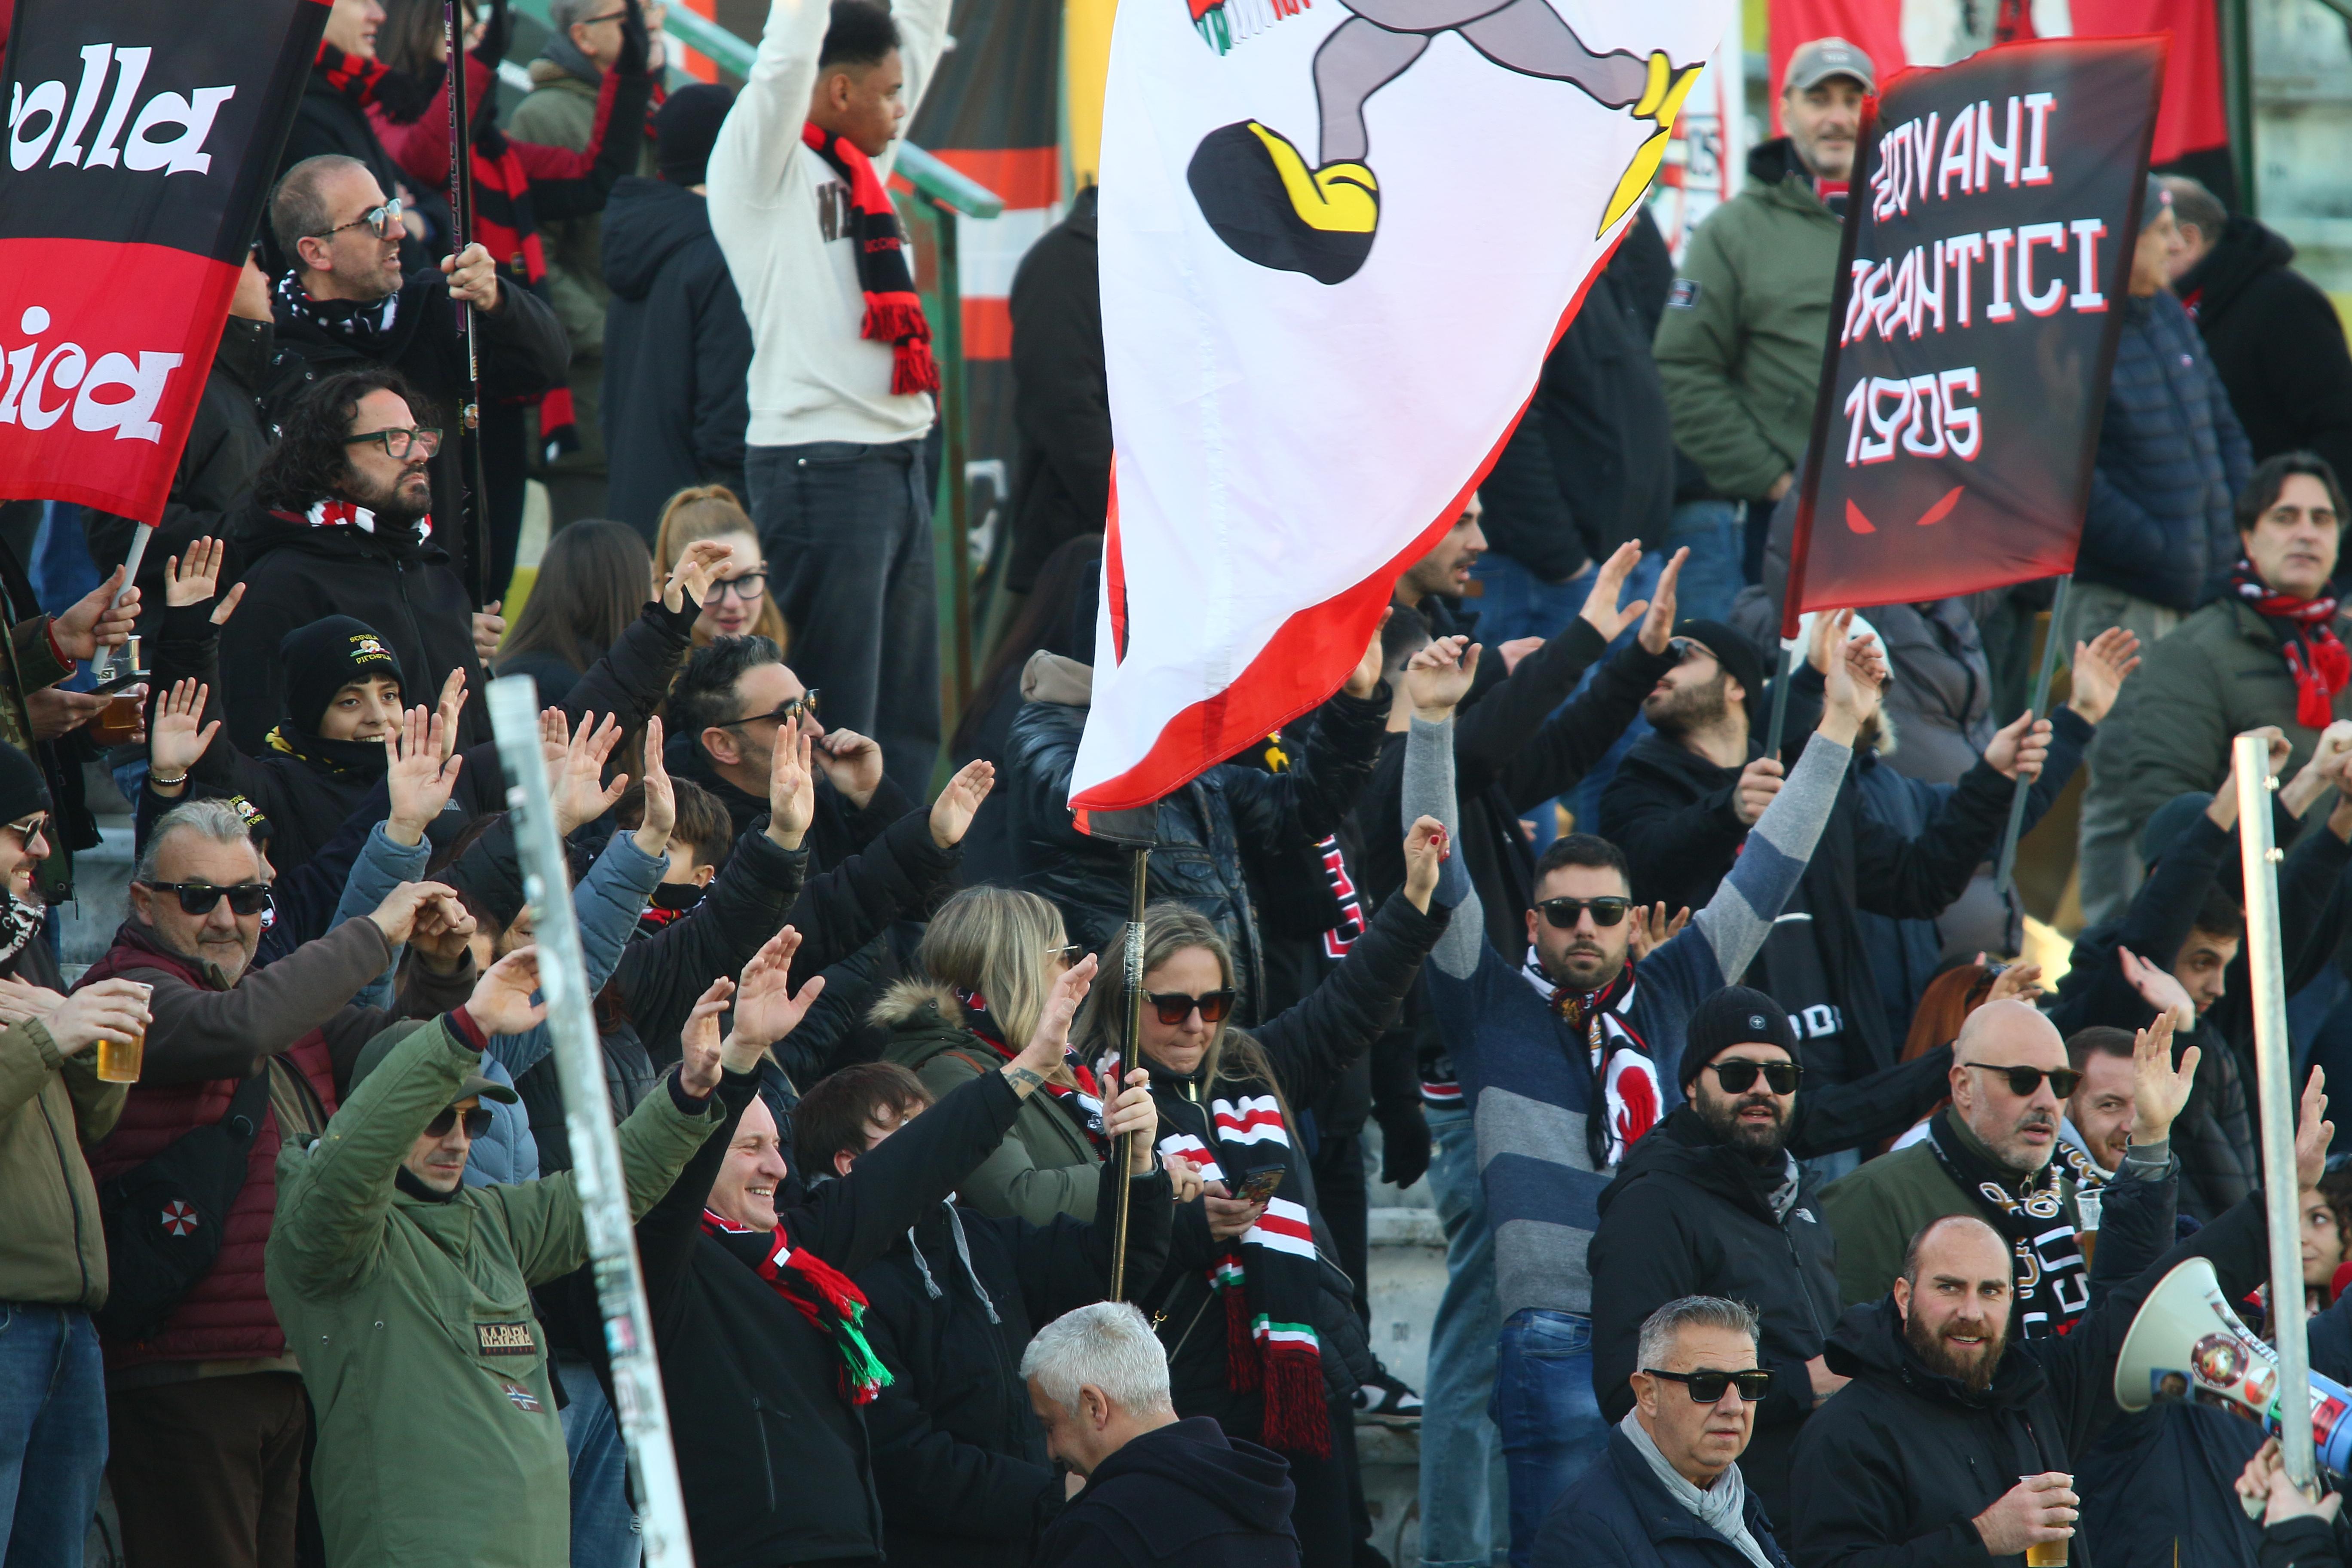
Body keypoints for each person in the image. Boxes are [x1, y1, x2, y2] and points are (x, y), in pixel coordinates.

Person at [1401, 618, 1955, 1559]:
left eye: (1606, 910)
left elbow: (1771, 866)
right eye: (1563, 912)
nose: (1585, 926)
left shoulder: (1670, 990)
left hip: (1672, 1341)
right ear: (1530, 923)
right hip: (1551, 1329)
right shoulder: (1487, 1005)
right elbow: (1436, 862)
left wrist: (1836, 726)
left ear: (1633, 921)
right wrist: (1428, 726)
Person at [582, 925, 1109, 1567]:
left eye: (777, 1146)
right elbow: (670, 1195)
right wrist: (738, 1060)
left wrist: (1026, 1069)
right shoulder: (660, 1270)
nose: (776, 1167)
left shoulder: (800, 1256)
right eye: (750, 1148)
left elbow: (910, 1167)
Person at [82, 796, 475, 1568]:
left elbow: (410, 1057)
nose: (226, 918)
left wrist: (440, 967)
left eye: (248, 898)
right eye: (199, 897)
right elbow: (240, 1029)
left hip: (293, 1358)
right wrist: (374, 935)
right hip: (181, 1371)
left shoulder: (276, 994)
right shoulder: (125, 991)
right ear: (142, 902)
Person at [264, 948, 725, 1568]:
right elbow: (352, 1164)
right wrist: (467, 1029)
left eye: (473, 1120)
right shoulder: (332, 1236)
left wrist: (689, 1092)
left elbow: (602, 1194)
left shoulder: (492, 1221)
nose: (457, 1141)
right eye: (436, 1119)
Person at [1081, 824, 1449, 1568]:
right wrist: (1193, 1225)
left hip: (1301, 1375)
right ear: (1125, 999)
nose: (1196, 1024)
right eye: (1171, 1005)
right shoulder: (1090, 1098)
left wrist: (1413, 900)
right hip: (1188, 1391)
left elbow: (1352, 1002)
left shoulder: (1251, 1065)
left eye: (1214, 1003)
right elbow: (1092, 1246)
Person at [1785, 1097, 2328, 1568]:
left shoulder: (2037, 1389)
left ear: (2012, 1300)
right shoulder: (1847, 1430)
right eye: (1949, 1288)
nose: (1971, 1311)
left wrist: (2283, 1197)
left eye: (1991, 1291)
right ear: (1904, 1296)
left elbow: (2153, 1297)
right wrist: (1984, 1538)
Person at [1600, 613, 2120, 1094]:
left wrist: (2003, 771)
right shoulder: (1641, 783)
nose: (1660, 667)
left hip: (1841, 1073)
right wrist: (1729, 810)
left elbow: (1923, 876)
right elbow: (1647, 868)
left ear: (1738, 683)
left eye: (1682, 653)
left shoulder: (1839, 788)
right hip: (1729, 1078)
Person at [710, 0, 956, 783]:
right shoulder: (762, 168)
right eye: (890, 92)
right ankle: (820, 864)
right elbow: (787, 55)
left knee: (905, 721)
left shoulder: (859, 168)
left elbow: (920, 25)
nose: (903, 107)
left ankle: (904, 860)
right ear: (841, 91)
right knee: (835, 722)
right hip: (821, 466)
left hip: (898, 458)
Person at [804, 1059, 1174, 1567]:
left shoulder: (980, 1237)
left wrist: (1135, 1165)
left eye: (928, 1119)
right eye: (905, 1126)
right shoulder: (839, 1286)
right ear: (850, 1166)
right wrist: (1052, 1497)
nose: (933, 1137)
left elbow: (1112, 1268)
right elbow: (904, 1460)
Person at [370, 0, 659, 597]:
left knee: (491, 577)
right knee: (439, 577)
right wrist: (487, 54)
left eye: (482, 32)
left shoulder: (495, 153)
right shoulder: (383, 121)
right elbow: (429, 155)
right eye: (464, 31)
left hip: (496, 387)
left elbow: (595, 176)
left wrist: (632, 71)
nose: (477, 41)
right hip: (422, 391)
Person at [1004, 624, 1390, 1024]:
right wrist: (1159, 719)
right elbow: (1087, 805)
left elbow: (1300, 810)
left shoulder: (1172, 739)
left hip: (1207, 1017)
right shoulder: (1050, 730)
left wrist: (1355, 703)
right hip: (1123, 1030)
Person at [2067, 178, 2256, 925]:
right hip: (2126, 598)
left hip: (2200, 591)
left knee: (2184, 775)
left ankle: (2177, 938)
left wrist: (2237, 532)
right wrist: (2162, 548)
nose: (2177, 244)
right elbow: (2072, 477)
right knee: (2122, 783)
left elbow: (2224, 430)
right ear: (2119, 241)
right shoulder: (2076, 331)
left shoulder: (2169, 317)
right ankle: (2111, 944)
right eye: (2160, 230)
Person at [1585, 991, 1842, 1525]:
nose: (1762, 1089)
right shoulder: (1654, 1203)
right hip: (1719, 1516)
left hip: (1820, 1496)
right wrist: (1803, 1384)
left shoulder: (1800, 1195)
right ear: (1691, 1085)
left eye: (1781, 1076)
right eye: (1738, 1073)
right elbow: (1628, 1390)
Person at [262, 153, 570, 596]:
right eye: (374, 221)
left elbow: (543, 367)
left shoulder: (437, 306)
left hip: (450, 595)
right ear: (316, 251)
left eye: (393, 210)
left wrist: (499, 300)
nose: (398, 231)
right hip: (339, 603)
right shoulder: (275, 353)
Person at [1816, 1001, 2200, 1334]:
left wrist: (2153, 1135)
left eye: (2061, 1083)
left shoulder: (2076, 1194)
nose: (2047, 1101)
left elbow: (2133, 1323)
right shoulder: (1875, 1196)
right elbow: (1850, 1356)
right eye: (2023, 1080)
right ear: (1964, 1086)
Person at [0, 741, 153, 1566]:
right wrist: (48, 1035)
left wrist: (93, 1040)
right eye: (22, 829)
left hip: (67, 1315)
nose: (41, 851)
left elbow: (84, 1125)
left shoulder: (19, 939)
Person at [1654, 39, 1872, 574]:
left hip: (1915, 512)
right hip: (1791, 522)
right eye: (1819, 100)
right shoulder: (1735, 231)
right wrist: (1774, 481)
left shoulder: (1921, 220)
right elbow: (1682, 367)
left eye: (1854, 101)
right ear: (1786, 110)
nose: (1839, 118)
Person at [227, 367, 498, 753]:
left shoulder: (438, 579)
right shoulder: (281, 586)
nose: (420, 454)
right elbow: (258, 748)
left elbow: (477, 737)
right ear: (333, 466)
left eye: (419, 437)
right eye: (393, 440)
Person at [2115, 454, 2352, 834]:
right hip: (2249, 870)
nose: (2307, 533)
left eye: (2322, 519)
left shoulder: (2344, 642)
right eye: (2285, 518)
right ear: (2249, 539)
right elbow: (2163, 810)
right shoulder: (2193, 652)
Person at [508, 0, 666, 527]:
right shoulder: (545, 117)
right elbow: (534, 256)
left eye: (654, 7)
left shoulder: (657, 107)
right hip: (590, 387)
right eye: (630, 15)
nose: (651, 21)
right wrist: (613, 333)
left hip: (648, 375)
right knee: (596, 553)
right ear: (583, 37)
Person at [877, 886, 1115, 1224]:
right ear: (1019, 969)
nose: (1074, 968)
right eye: (1065, 954)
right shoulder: (947, 1071)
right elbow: (1019, 1201)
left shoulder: (1052, 1057)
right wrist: (1131, 1175)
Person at [1026, 1301, 1302, 1568]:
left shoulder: (1105, 1528)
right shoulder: (1265, 1509)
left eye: (1050, 1426)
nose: (1052, 1451)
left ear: (1094, 1407)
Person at [83, 256, 278, 630]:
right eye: (254, 261)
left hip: (229, 635)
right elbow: (117, 531)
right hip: (165, 641)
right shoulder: (161, 386)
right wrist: (261, 535)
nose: (268, 276)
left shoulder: (251, 382)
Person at [1533, 1296, 1795, 1568]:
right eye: (1707, 1385)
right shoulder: (1583, 1530)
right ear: (1648, 1394)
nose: (1734, 1407)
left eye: (1750, 1384)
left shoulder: (1733, 1499)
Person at [603, 85, 755, 537]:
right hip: (704, 534)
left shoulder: (645, 240)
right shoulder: (721, 255)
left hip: (641, 519)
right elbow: (728, 424)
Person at [2161, 175, 2352, 486]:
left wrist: (2286, 504)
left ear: (2188, 240)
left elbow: (2338, 425)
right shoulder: (2158, 313)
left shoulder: (2284, 303)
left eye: (2142, 241)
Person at [664, 632, 913, 864]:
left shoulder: (825, 790)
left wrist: (872, 796)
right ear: (724, 745)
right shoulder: (690, 837)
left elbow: (926, 884)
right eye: (791, 714)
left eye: (810, 704)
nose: (818, 729)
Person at [1007, 184, 1108, 598]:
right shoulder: (1066, 261)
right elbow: (1062, 407)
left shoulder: (1177, 257)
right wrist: (1129, 514)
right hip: (1082, 549)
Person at [494, 519, 658, 707]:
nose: (658, 596)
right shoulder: (547, 685)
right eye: (653, 581)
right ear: (613, 593)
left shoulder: (581, 674)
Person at [652, 485, 789, 647]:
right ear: (673, 585)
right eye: (712, 584)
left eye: (747, 580)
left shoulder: (787, 654)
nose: (733, 604)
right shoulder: (647, 658)